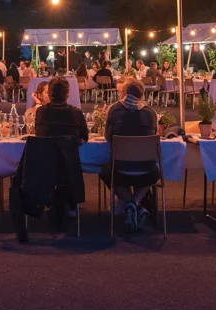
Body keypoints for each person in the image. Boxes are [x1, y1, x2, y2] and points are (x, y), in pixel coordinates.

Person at [100, 81, 159, 231]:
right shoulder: (151, 113)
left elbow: (108, 137)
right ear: (141, 95)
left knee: (104, 169)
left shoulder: (114, 110)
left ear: (124, 93)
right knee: (156, 171)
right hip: (146, 170)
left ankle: (128, 201)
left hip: (119, 170)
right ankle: (136, 203)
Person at [34, 77, 88, 142]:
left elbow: (38, 135)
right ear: (67, 94)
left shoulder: (41, 112)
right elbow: (84, 138)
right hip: (68, 151)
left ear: (50, 94)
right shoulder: (76, 113)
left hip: (46, 152)